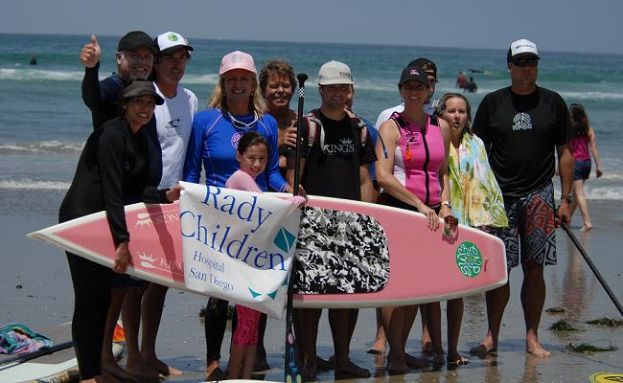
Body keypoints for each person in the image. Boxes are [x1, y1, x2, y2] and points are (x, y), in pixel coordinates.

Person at [58, 81, 182, 383]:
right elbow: (113, 192)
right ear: (124, 105)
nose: (145, 108)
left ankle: (98, 368)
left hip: (106, 220)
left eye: (150, 103)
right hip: (82, 218)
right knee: (89, 298)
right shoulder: (112, 134)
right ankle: (89, 374)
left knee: (103, 297)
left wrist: (164, 196)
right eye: (138, 101)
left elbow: (136, 191)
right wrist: (123, 242)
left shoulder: (141, 138)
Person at [183, 50, 292, 380]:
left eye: (244, 78)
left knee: (254, 293)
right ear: (223, 82)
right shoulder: (206, 120)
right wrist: (183, 208)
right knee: (219, 292)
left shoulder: (267, 123)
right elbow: (191, 172)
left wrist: (285, 188)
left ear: (253, 83)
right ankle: (214, 361)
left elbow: (270, 173)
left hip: (257, 221)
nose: (238, 84)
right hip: (216, 220)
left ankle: (249, 359)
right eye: (232, 79)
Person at [470, 38, 573, 358]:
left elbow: (565, 153)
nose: (527, 68)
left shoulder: (553, 102)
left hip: (540, 193)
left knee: (535, 268)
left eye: (532, 62)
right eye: (521, 62)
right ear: (509, 66)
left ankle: (532, 336)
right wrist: (475, 198)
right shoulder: (492, 103)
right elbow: (476, 153)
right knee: (499, 268)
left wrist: (566, 199)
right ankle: (492, 336)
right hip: (498, 196)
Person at [80, 31, 163, 381]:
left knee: (123, 289)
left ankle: (110, 362)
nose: (142, 61)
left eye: (148, 56)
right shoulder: (114, 91)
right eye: (135, 55)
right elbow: (93, 98)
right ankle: (96, 368)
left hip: (126, 204)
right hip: (101, 205)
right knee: (101, 294)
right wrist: (90, 69)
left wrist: (161, 195)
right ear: (119, 59)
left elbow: (145, 164)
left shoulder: (146, 103)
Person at [287, 60, 376, 381]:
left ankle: (342, 359)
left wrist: (369, 217)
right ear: (321, 90)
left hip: (351, 224)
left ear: (350, 90)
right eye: (332, 88)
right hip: (312, 224)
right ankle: (308, 361)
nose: (338, 93)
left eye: (344, 87)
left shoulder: (360, 128)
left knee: (347, 296)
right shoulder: (308, 126)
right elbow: (292, 174)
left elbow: (365, 177)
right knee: (309, 297)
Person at [375, 64, 454, 374]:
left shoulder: (441, 127)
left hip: (434, 213)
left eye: (419, 86)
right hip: (401, 210)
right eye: (408, 85)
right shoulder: (391, 127)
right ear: (400, 89)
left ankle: (401, 351)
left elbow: (443, 172)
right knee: (400, 288)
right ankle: (396, 354)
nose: (413, 90)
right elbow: (382, 176)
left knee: (420, 289)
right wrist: (419, 205)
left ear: (428, 90)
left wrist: (444, 205)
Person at [137, 31, 198, 378]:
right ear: (156, 61)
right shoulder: (146, 96)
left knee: (160, 282)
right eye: (170, 57)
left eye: (183, 57)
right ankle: (134, 355)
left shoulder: (189, 99)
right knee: (135, 282)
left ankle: (149, 352)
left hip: (173, 202)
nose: (177, 64)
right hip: (143, 198)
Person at [225, 132, 306, 379]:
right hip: (243, 264)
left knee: (251, 326)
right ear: (239, 156)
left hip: (251, 261)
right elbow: (266, 207)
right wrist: (295, 201)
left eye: (262, 159)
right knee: (246, 326)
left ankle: (246, 375)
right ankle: (234, 377)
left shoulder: (252, 179)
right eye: (251, 158)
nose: (257, 164)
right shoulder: (241, 178)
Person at [437, 92, 509, 366]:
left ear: (468, 116)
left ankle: (452, 349)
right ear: (441, 113)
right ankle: (430, 343)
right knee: (433, 289)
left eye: (462, 111)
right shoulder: (434, 139)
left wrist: (489, 219)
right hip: (441, 218)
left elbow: (485, 181)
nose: (456, 116)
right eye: (451, 111)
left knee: (460, 289)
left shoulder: (476, 142)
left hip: (472, 223)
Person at [374, 57, 439, 130]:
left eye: (431, 81)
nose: (428, 86)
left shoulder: (440, 117)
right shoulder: (388, 115)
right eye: (421, 83)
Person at [568, 103, 603, 231]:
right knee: (576, 194)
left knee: (578, 193)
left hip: (576, 163)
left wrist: (558, 166)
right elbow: (594, 148)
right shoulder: (588, 129)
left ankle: (587, 222)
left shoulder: (569, 130)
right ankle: (567, 220)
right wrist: (598, 166)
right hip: (586, 163)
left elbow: (566, 151)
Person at [259, 59, 298, 175]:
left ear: (293, 89)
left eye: (286, 86)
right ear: (262, 91)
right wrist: (278, 144)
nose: (280, 90)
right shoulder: (256, 121)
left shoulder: (301, 121)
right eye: (274, 86)